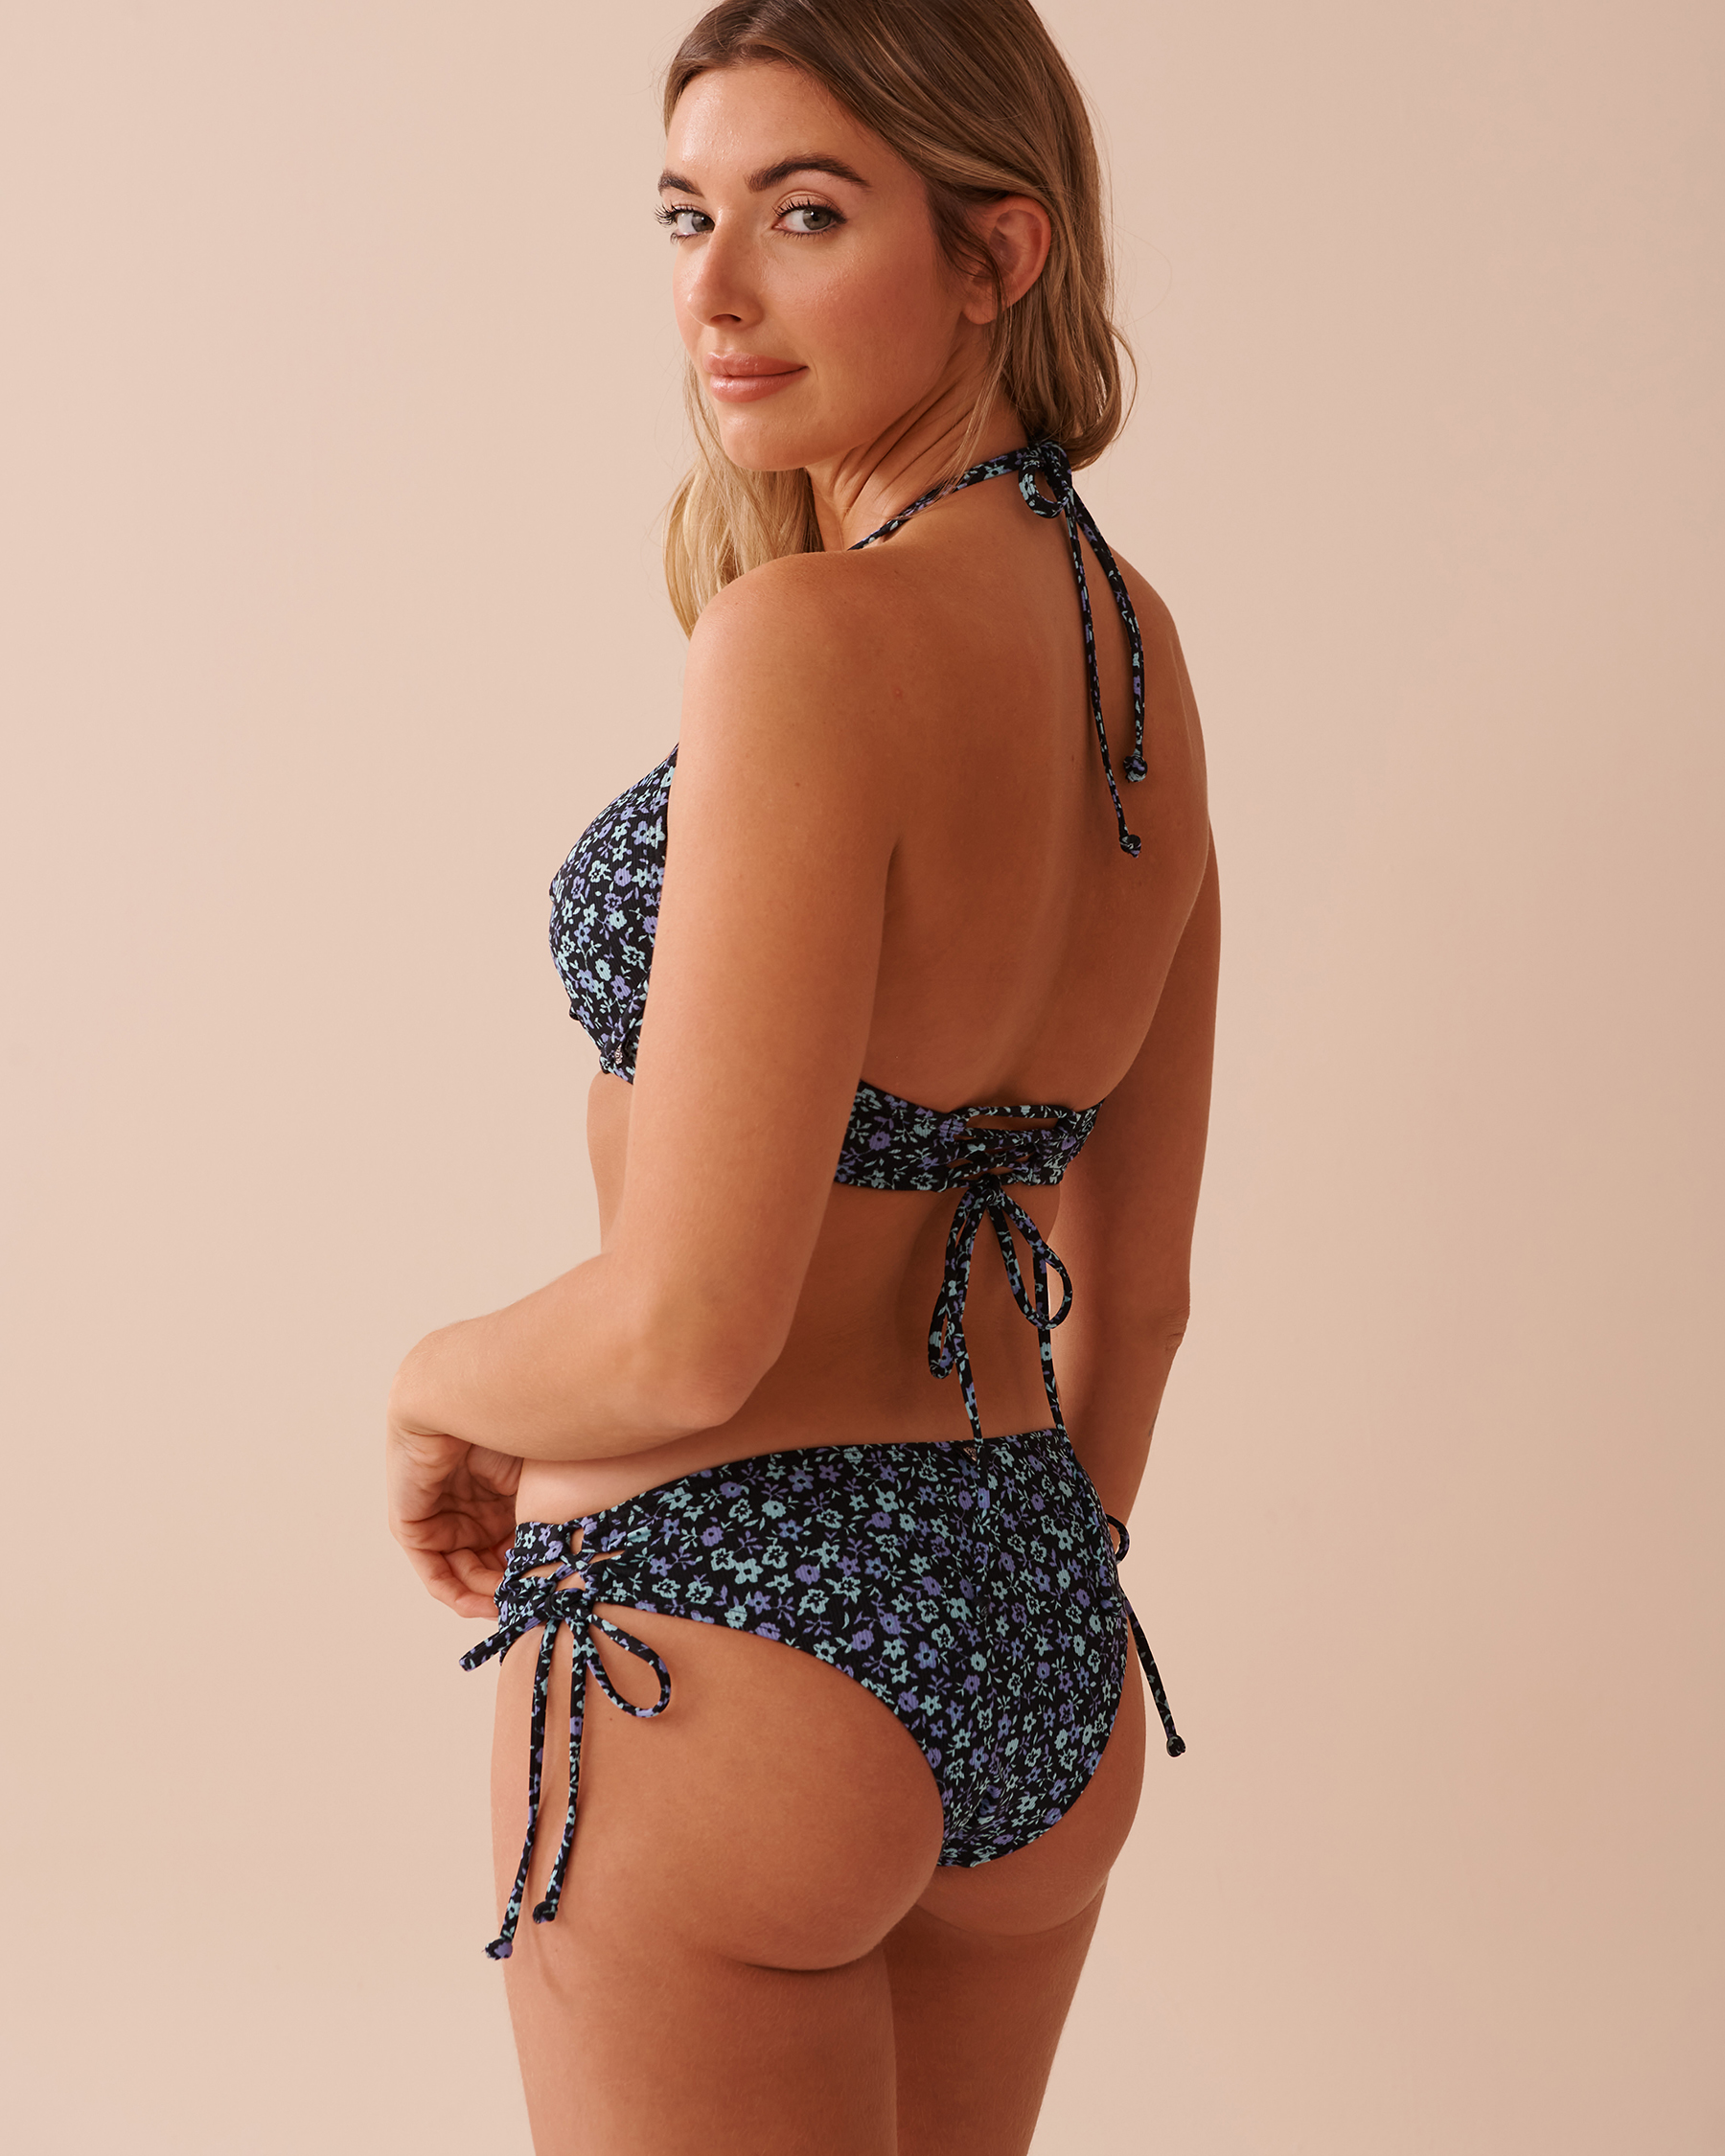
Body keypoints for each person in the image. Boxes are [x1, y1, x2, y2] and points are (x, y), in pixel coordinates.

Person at [386, 2, 1218, 2149]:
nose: (717, 292)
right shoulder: (1138, 664)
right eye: (689, 215)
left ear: (997, 252)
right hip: (1036, 1627)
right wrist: (988, 1601)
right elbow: (1138, 1299)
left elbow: (688, 1326)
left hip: (722, 1641)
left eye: (808, 213)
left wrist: (438, 1382)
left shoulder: (805, 644)